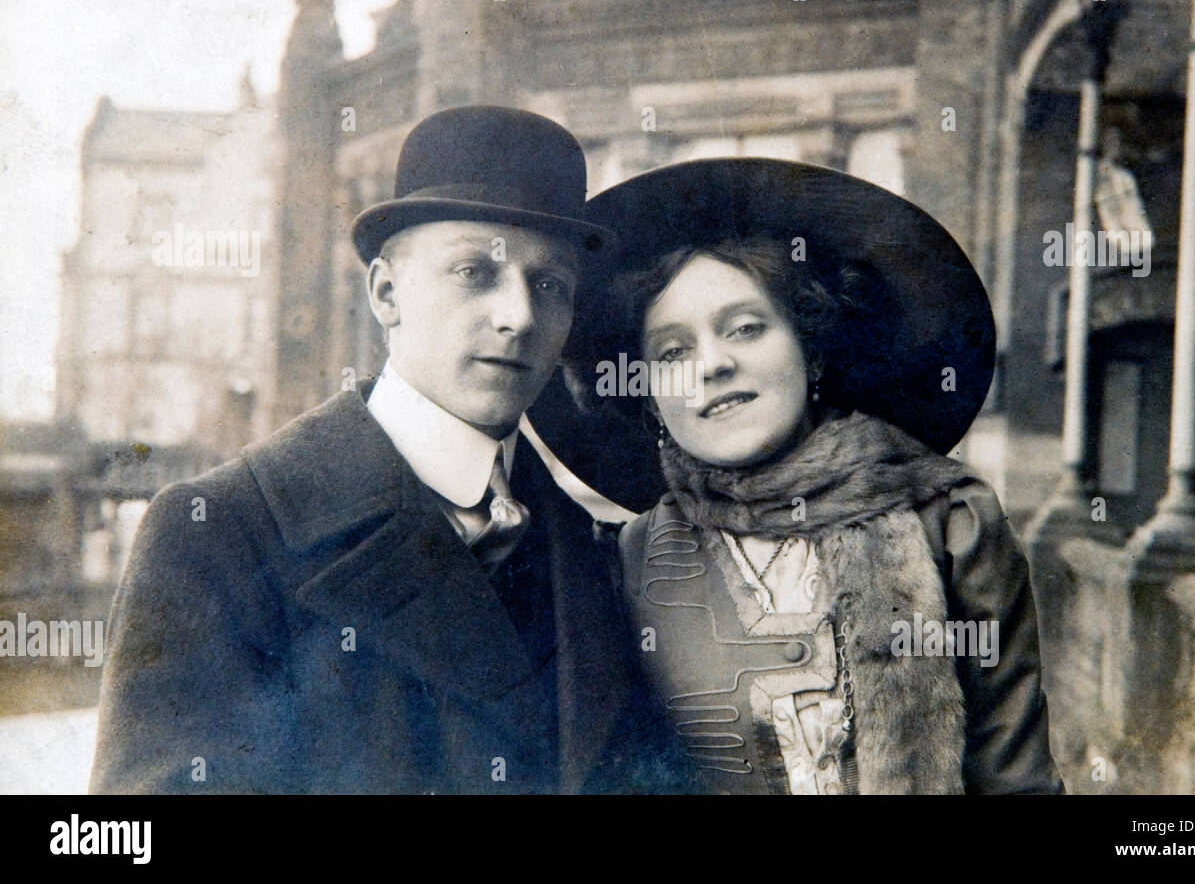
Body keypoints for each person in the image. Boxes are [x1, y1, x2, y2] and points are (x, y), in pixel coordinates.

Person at [90, 106, 690, 794]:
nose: (519, 315)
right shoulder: (222, 533)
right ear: (385, 291)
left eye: (550, 284)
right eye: (475, 272)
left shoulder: (597, 551)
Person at [552, 158, 1063, 794]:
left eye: (746, 328)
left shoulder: (951, 524)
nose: (712, 364)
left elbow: (1017, 781)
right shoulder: (629, 562)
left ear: (811, 348)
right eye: (673, 352)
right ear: (651, 397)